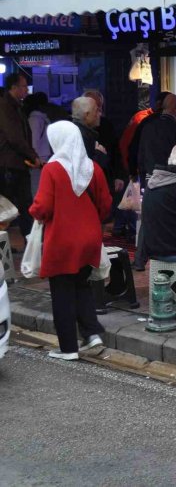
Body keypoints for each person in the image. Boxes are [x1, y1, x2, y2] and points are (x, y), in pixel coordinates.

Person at [29, 120, 112, 360]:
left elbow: (42, 206)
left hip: (62, 239)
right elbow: (105, 203)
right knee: (82, 285)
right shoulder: (92, 167)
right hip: (89, 238)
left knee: (62, 292)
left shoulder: (52, 169)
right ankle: (92, 334)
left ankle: (68, 348)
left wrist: (33, 213)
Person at [134, 94, 176, 270]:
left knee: (148, 217)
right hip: (170, 178)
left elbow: (139, 151)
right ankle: (168, 253)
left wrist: (138, 171)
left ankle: (140, 258)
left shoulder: (147, 124)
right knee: (172, 215)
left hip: (150, 177)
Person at [0, 73, 42, 239]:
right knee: (11, 206)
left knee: (20, 206)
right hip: (9, 164)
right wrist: (33, 156)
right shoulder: (5, 107)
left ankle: (28, 242)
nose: (27, 90)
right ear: (14, 87)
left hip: (16, 163)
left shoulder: (15, 106)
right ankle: (27, 243)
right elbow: (15, 137)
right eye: (24, 86)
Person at [24, 92, 52, 163]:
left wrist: (32, 157)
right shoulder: (45, 118)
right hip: (46, 155)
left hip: (38, 157)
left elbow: (34, 141)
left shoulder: (34, 119)